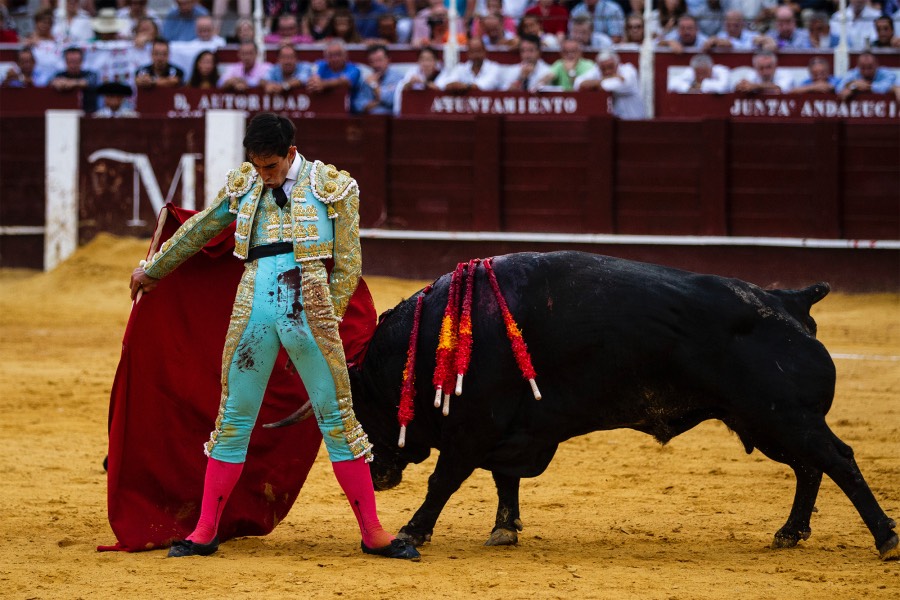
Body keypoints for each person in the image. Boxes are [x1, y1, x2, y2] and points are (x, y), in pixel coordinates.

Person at [128, 112, 421, 561]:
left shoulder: (333, 186)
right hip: (254, 302)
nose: (263, 177)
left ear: (291, 153)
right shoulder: (246, 183)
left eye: (271, 167)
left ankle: (373, 532)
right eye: (257, 166)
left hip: (311, 302)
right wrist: (153, 269)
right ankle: (205, 531)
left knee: (339, 419)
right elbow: (204, 226)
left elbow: (347, 264)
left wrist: (328, 319)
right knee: (233, 418)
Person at [574, 50, 645, 119]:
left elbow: (610, 86)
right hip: (610, 122)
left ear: (617, 64)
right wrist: (606, 79)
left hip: (632, 121)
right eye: (603, 69)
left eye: (610, 67)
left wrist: (594, 84)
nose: (607, 71)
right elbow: (577, 84)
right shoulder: (597, 70)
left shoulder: (629, 70)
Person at [306, 39, 364, 108]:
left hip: (349, 110)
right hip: (322, 107)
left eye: (338, 55)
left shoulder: (354, 69)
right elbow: (314, 77)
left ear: (345, 56)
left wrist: (323, 84)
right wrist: (315, 82)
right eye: (330, 55)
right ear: (325, 57)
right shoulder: (320, 65)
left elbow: (345, 81)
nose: (334, 59)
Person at [435, 37, 504, 91]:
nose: (475, 55)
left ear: (485, 52)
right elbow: (445, 83)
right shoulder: (461, 68)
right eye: (472, 52)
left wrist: (465, 87)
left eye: (478, 51)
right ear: (468, 53)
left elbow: (485, 85)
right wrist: (452, 85)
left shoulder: (494, 68)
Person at [355, 44, 404, 113]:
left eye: (379, 60)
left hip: (390, 120)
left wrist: (374, 85)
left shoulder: (398, 78)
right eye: (372, 61)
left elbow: (392, 101)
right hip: (369, 119)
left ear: (388, 59)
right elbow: (358, 105)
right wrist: (378, 102)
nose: (376, 65)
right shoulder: (366, 79)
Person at [393, 44, 442, 113]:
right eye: (423, 59)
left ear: (436, 61)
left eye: (429, 59)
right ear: (418, 61)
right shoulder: (413, 72)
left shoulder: (442, 72)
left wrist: (424, 82)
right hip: (416, 109)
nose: (426, 63)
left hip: (436, 111)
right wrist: (410, 83)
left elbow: (440, 89)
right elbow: (402, 88)